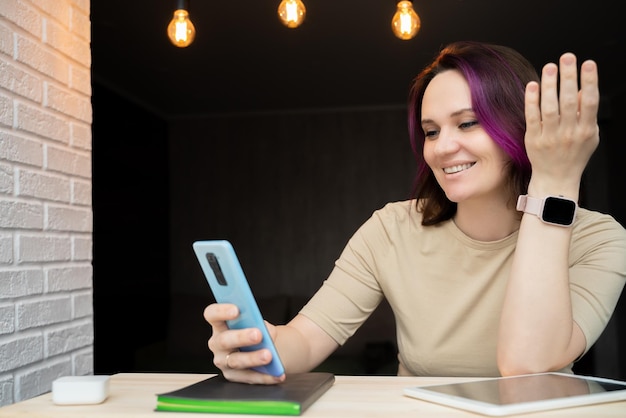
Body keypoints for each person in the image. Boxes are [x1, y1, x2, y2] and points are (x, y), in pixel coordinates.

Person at [203, 41, 626, 384]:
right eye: (430, 131)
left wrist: (554, 183)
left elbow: (527, 366)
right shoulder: (390, 229)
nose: (442, 148)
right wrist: (260, 344)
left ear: (522, 126)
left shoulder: (601, 240)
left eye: (467, 123)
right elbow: (305, 340)